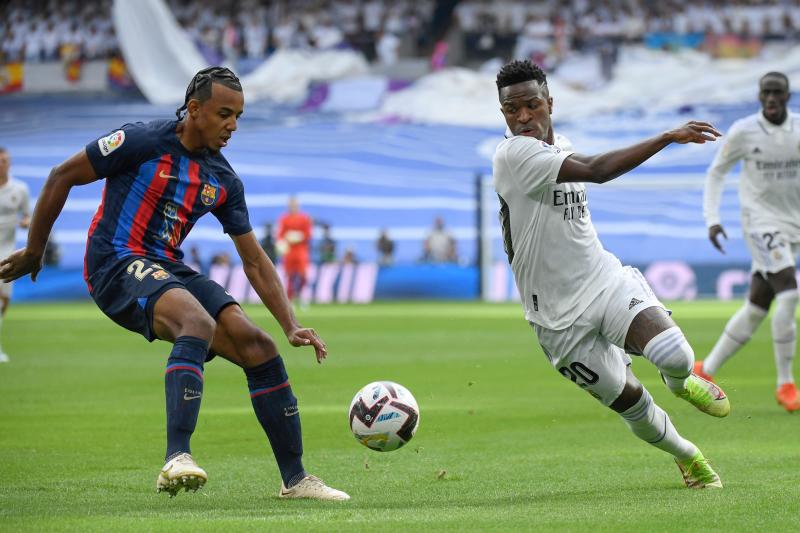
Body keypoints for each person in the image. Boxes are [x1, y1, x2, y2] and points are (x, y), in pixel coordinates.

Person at [0, 67, 349, 501]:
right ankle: (176, 457)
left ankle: (296, 480)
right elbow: (60, 175)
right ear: (194, 109)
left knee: (259, 347)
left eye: (238, 116)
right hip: (114, 260)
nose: (233, 126)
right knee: (196, 323)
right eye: (224, 114)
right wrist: (35, 250)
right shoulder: (140, 141)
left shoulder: (223, 180)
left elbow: (254, 260)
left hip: (166, 266)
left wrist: (290, 324)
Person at [493, 59, 729, 489]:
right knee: (632, 403)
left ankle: (680, 382)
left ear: (549, 102)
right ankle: (688, 456)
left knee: (675, 355)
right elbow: (600, 171)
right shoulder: (513, 154)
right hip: (557, 320)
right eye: (512, 110)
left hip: (602, 281)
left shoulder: (558, 144)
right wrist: (666, 137)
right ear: (503, 114)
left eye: (531, 105)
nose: (523, 117)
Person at [696, 72, 800, 412]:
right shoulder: (744, 131)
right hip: (758, 222)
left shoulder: (797, 129)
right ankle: (786, 382)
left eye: (777, 93)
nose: (771, 99)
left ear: (787, 96)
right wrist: (713, 219)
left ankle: (705, 370)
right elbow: (716, 172)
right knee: (789, 291)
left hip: (792, 225)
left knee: (758, 304)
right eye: (766, 93)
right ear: (759, 96)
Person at [0, 147, 31, 363]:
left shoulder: (19, 189)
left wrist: (26, 223)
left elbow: (28, 216)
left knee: (4, 300)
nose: (4, 164)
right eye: (1, 161)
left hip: (6, 250)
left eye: (6, 160)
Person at [276, 196, 312, 305]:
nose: (293, 207)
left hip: (301, 250)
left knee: (302, 275)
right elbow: (280, 235)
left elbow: (308, 234)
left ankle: (302, 296)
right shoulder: (284, 219)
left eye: (294, 205)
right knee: (290, 276)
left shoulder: (304, 218)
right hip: (289, 251)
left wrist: (299, 237)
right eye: (291, 205)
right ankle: (290, 299)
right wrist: (281, 244)